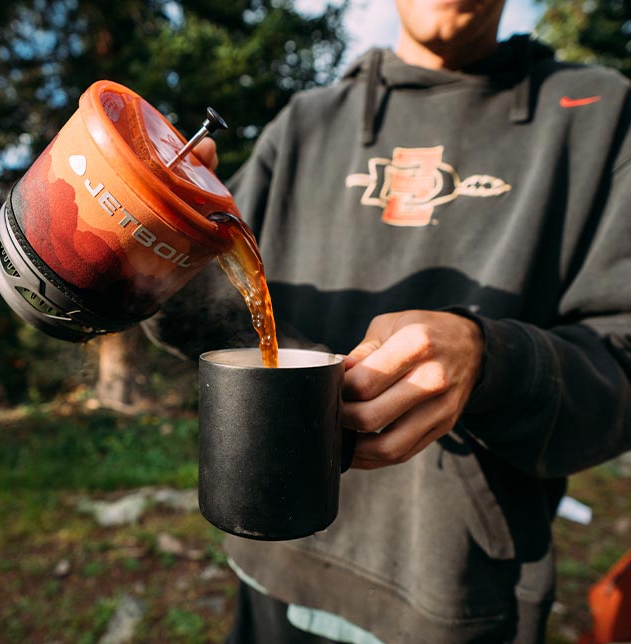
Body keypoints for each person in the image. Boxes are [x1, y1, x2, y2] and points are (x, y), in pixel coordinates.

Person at [147, 0, 631, 641]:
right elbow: (215, 308)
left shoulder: (596, 113)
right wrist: (152, 243)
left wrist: (492, 360)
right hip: (273, 564)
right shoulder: (306, 125)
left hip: (453, 596)